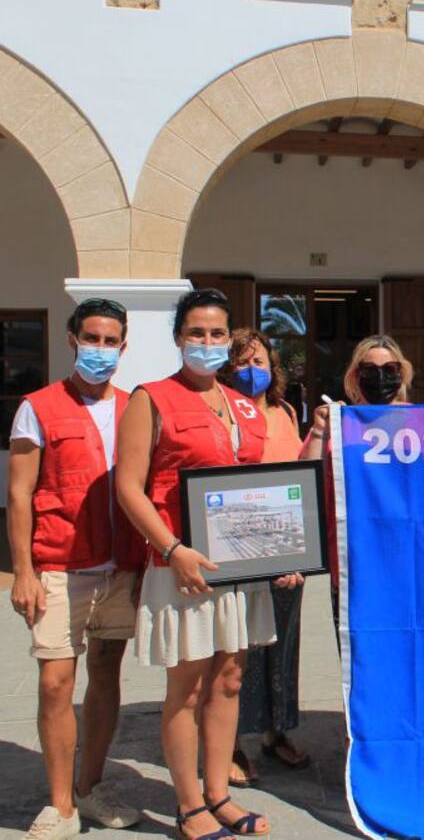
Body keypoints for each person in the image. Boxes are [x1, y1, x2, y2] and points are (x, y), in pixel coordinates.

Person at [115, 289, 274, 839]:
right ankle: (188, 806)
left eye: (217, 334)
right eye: (197, 333)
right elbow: (128, 488)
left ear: (230, 341)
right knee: (185, 688)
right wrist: (171, 550)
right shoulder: (151, 398)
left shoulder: (245, 405)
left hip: (238, 567)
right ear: (179, 337)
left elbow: (260, 488)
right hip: (181, 565)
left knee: (229, 680)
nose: (207, 343)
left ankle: (219, 793)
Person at [6, 298, 144, 840]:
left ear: (124, 346)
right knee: (56, 683)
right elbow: (19, 494)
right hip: (60, 565)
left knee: (107, 677)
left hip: (122, 568)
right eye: (92, 339)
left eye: (111, 341)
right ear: (72, 340)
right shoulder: (37, 407)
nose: (101, 350)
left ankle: (89, 788)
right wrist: (23, 570)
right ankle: (59, 805)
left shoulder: (137, 406)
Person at [218, 329, 308, 787]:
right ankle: (229, 743)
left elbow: (298, 474)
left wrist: (296, 552)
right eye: (242, 362)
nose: (252, 371)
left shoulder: (286, 411)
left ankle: (278, 732)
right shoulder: (219, 412)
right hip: (239, 547)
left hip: (288, 547)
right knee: (239, 652)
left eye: (261, 362)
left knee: (283, 646)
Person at [302, 335, 415, 638]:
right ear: (355, 375)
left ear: (402, 373)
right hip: (352, 565)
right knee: (356, 659)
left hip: (410, 566)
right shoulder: (340, 422)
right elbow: (307, 480)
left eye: (390, 368)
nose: (381, 376)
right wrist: (318, 431)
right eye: (370, 369)